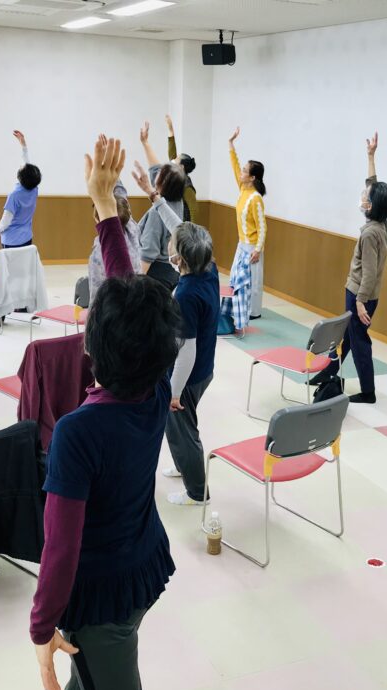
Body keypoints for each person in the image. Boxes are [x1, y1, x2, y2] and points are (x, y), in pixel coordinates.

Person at [29, 135, 178, 690]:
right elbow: (128, 293)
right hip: (140, 562)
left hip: (102, 589)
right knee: (95, 668)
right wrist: (105, 211)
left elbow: (60, 549)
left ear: (94, 349)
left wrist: (41, 628)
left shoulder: (78, 432)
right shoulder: (155, 384)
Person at [132, 161, 219, 506]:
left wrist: (174, 391)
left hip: (191, 372)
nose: (170, 241)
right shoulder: (208, 268)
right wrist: (154, 197)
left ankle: (198, 492)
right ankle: (185, 466)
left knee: (182, 426)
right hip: (202, 367)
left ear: (178, 259)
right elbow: (179, 227)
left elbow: (186, 350)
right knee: (180, 425)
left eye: (172, 244)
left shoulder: (185, 294)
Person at [309, 132, 387, 404]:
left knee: (358, 342)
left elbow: (368, 272)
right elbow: (373, 184)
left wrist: (359, 302)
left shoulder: (369, 234)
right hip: (363, 294)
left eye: (365, 196)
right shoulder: (382, 224)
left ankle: (368, 392)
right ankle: (328, 372)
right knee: (345, 336)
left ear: (371, 205)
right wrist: (371, 156)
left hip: (360, 294)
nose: (362, 196)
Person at [137, 121, 187, 291]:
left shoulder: (157, 213)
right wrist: (145, 143)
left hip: (155, 273)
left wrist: (134, 286)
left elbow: (148, 252)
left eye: (160, 175)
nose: (156, 174)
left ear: (162, 185)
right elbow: (155, 169)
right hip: (171, 271)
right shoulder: (177, 200)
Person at [227, 126, 267, 328]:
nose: (241, 172)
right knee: (237, 277)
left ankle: (253, 312)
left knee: (253, 280)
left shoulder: (255, 198)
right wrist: (231, 144)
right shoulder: (243, 188)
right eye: (243, 169)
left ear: (252, 177)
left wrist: (258, 250)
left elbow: (263, 227)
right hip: (241, 243)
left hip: (252, 246)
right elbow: (235, 167)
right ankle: (239, 307)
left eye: (245, 170)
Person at [87, 180, 142, 305]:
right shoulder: (132, 228)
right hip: (138, 301)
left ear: (97, 219)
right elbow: (121, 194)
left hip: (116, 307)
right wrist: (112, 174)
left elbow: (95, 296)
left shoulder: (99, 254)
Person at [0, 129, 41, 247]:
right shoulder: (34, 189)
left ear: (21, 176)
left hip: (11, 241)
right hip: (27, 238)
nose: (21, 166)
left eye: (21, 168)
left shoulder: (14, 196)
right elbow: (28, 166)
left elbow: (6, 221)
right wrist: (23, 144)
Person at [165, 114, 198, 223]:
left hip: (182, 224)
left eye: (176, 159)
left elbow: (194, 210)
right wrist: (170, 129)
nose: (173, 160)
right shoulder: (176, 177)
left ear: (181, 167)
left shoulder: (187, 185)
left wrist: (190, 229)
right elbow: (172, 154)